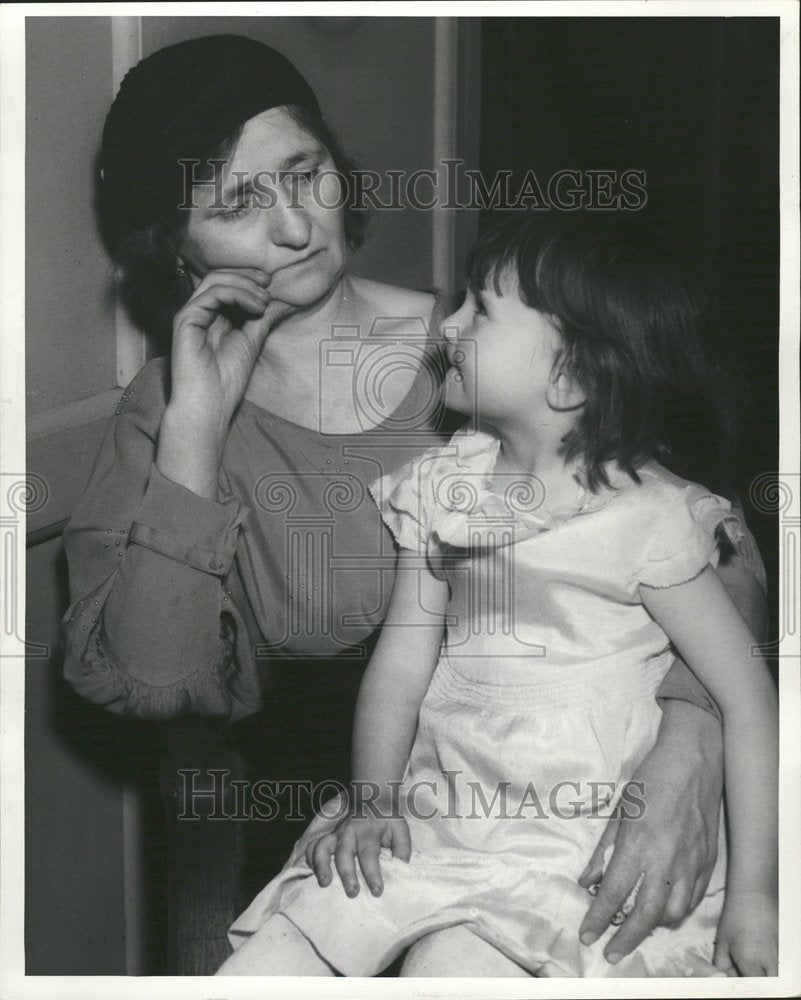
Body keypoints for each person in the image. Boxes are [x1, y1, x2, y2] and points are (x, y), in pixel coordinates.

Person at [61, 35, 766, 973]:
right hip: (360, 829)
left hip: (583, 810)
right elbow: (152, 683)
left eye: (305, 173)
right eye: (236, 204)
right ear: (173, 244)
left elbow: (716, 551)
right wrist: (198, 427)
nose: (296, 228)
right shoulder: (163, 415)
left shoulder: (502, 350)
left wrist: (691, 736)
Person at [218, 216, 777, 978]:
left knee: (449, 971)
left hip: (574, 849)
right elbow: (401, 664)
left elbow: (748, 701)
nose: (444, 323)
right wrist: (373, 798)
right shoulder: (438, 485)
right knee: (271, 961)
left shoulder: (651, 519)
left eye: (478, 309)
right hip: (443, 814)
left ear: (569, 377)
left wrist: (757, 894)